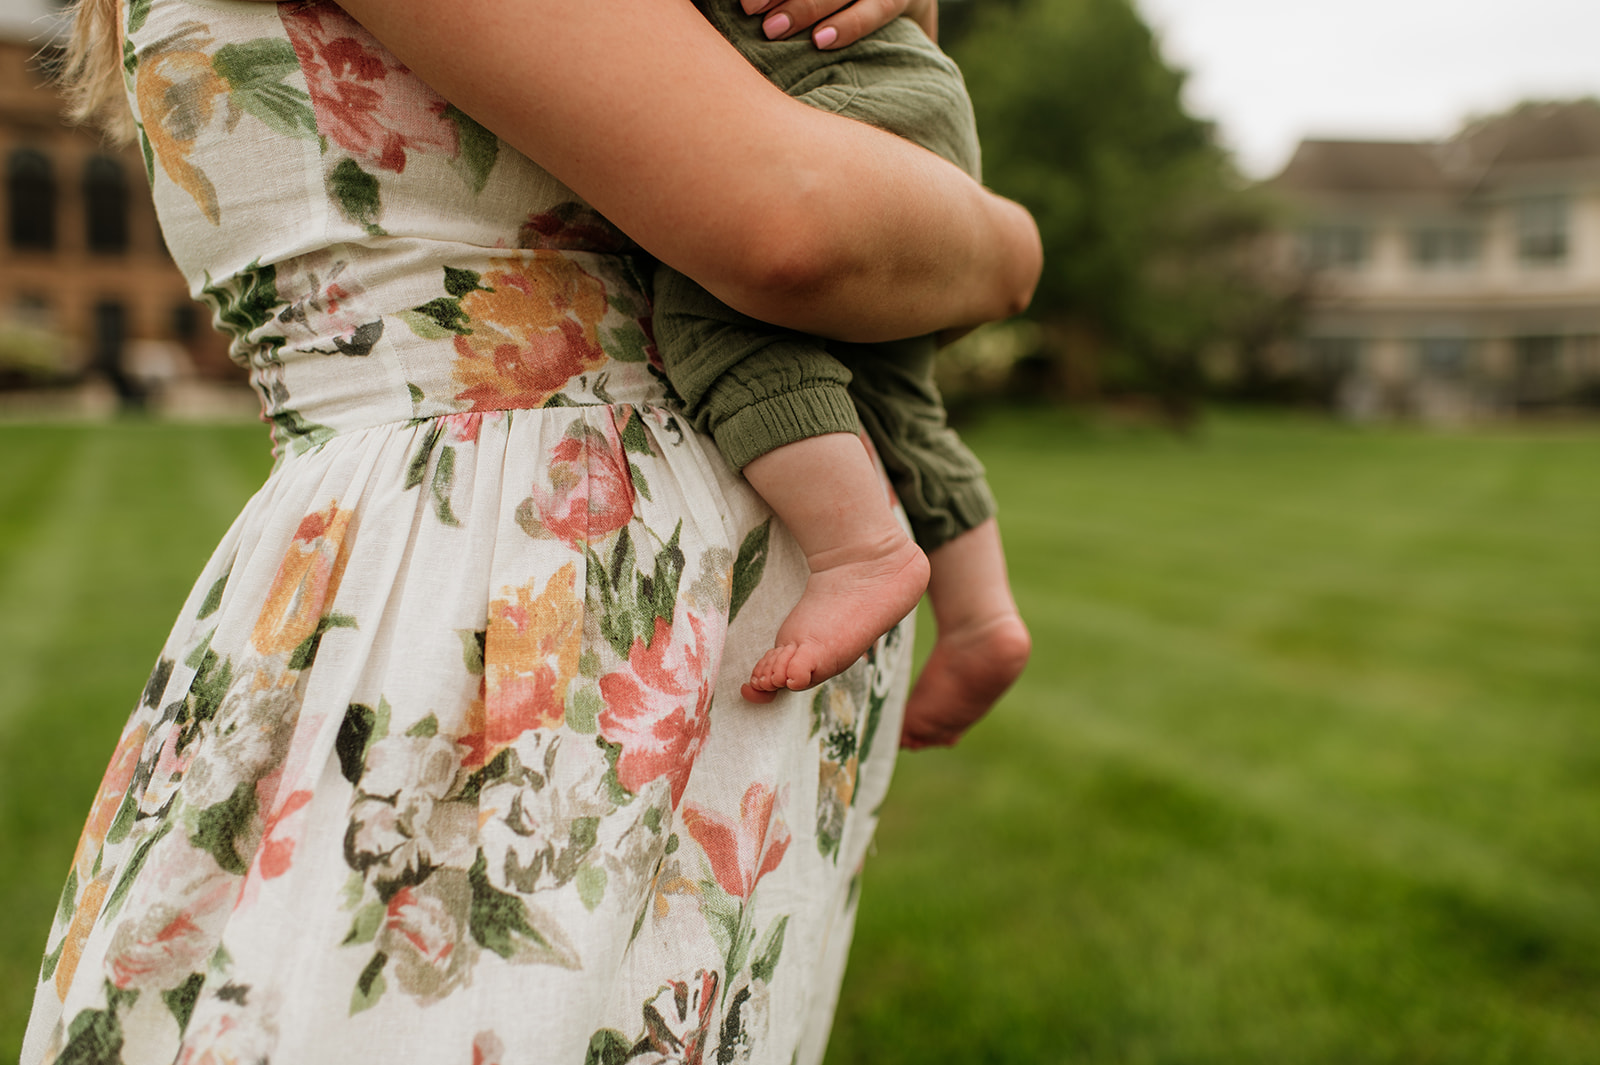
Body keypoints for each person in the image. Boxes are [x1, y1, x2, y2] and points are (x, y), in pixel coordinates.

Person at [24, 1, 1039, 1063]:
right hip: (504, 561)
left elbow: (795, 224)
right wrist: (1008, 244)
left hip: (556, 560)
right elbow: (800, 224)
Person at [656, 0, 1032, 750]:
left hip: (824, 110)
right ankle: (982, 614)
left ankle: (859, 553)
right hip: (911, 99)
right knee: (896, 394)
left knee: (716, 316)